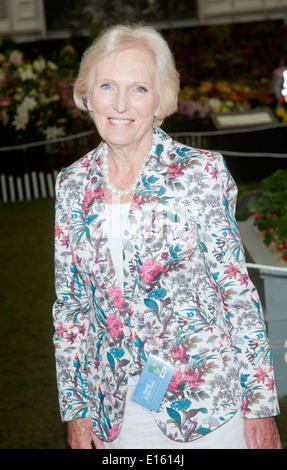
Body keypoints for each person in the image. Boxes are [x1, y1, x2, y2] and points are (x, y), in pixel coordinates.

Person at [52, 23, 282, 449]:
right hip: (114, 412)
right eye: (107, 86)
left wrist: (261, 405)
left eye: (139, 88)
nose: (121, 103)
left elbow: (236, 292)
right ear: (87, 95)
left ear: (161, 101)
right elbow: (71, 308)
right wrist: (77, 408)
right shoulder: (72, 185)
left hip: (206, 405)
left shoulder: (200, 173)